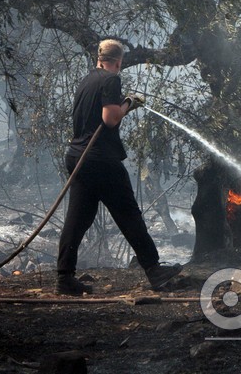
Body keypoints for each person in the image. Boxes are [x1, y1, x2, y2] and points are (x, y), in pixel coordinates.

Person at [56, 39, 182, 295]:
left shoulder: (87, 80)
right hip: (101, 160)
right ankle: (155, 271)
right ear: (118, 62)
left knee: (78, 219)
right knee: (129, 214)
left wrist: (123, 102)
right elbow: (110, 119)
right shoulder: (110, 79)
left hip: (79, 156)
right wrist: (130, 103)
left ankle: (64, 277)